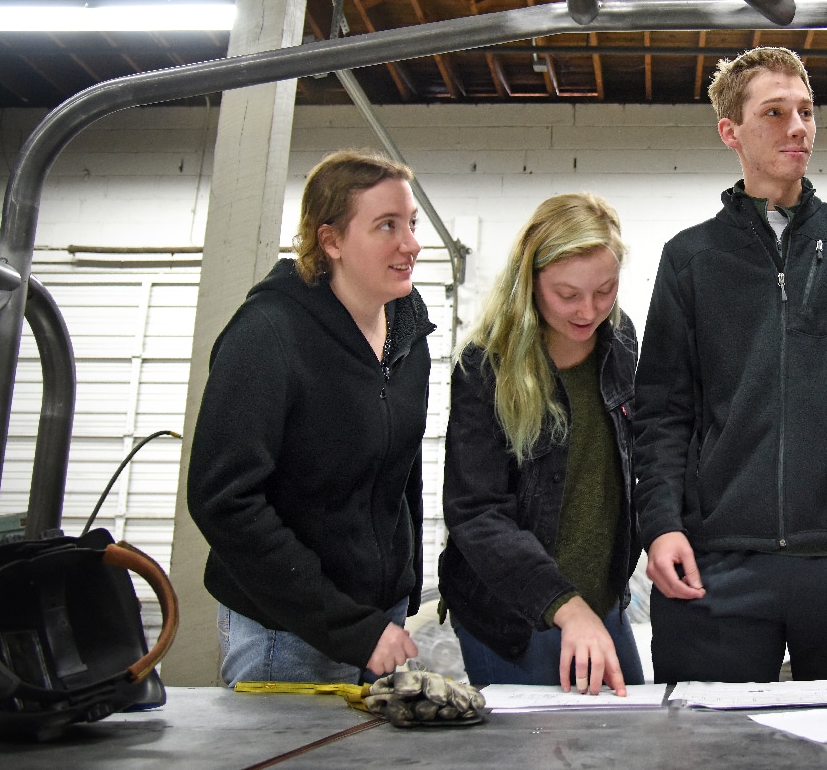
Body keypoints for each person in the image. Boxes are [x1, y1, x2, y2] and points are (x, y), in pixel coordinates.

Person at [634, 46, 827, 683]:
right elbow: (662, 412)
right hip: (719, 565)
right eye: (774, 112)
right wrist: (661, 526)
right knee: (711, 753)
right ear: (731, 131)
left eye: (805, 111)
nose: (798, 127)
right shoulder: (690, 258)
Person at [189, 149, 434, 684]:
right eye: (387, 226)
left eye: (411, 223)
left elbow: (398, 476)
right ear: (332, 241)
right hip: (285, 633)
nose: (411, 244)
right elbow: (224, 501)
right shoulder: (267, 334)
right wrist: (347, 626)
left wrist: (401, 588)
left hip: (380, 623)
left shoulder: (409, 339)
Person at [438, 193, 644, 696]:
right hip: (513, 615)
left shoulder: (619, 339)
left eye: (605, 290)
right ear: (529, 283)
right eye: (567, 294)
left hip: (602, 603)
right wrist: (566, 608)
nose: (589, 310)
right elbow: (477, 514)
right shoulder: (484, 365)